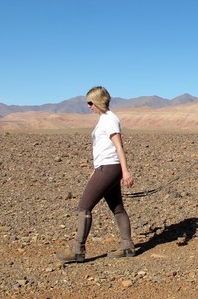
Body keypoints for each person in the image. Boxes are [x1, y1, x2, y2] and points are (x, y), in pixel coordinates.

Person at [56, 86, 136, 263]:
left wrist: (125, 172)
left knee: (84, 207)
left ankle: (78, 250)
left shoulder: (109, 120)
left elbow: (119, 147)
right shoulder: (105, 119)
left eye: (90, 102)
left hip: (109, 168)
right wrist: (95, 171)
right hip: (106, 167)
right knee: (117, 208)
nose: (88, 106)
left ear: (98, 101)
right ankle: (127, 246)